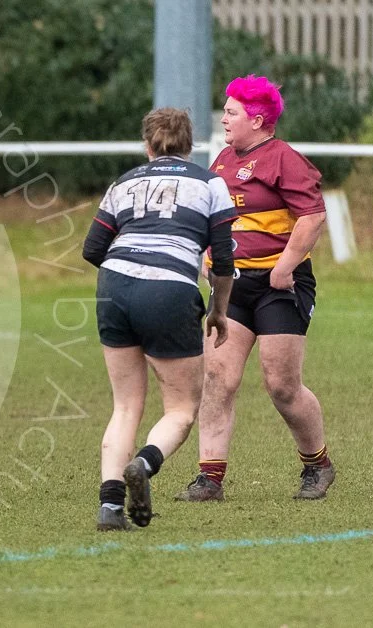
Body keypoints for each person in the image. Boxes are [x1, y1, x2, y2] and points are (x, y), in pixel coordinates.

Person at [176, 75, 335, 502]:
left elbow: (312, 217)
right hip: (232, 287)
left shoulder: (285, 159)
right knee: (217, 378)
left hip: (279, 286)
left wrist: (284, 267)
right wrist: (209, 254)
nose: (224, 119)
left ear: (258, 120)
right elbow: (214, 216)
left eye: (232, 112)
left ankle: (317, 464)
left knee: (281, 385)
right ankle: (210, 478)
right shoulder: (223, 160)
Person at [82, 109, 236, 531]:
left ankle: (110, 506)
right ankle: (144, 465)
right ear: (190, 146)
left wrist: (128, 268)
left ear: (147, 145)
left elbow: (92, 248)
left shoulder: (124, 182)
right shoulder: (210, 183)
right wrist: (219, 310)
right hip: (169, 289)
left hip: (114, 284)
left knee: (125, 405)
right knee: (182, 408)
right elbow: (224, 260)